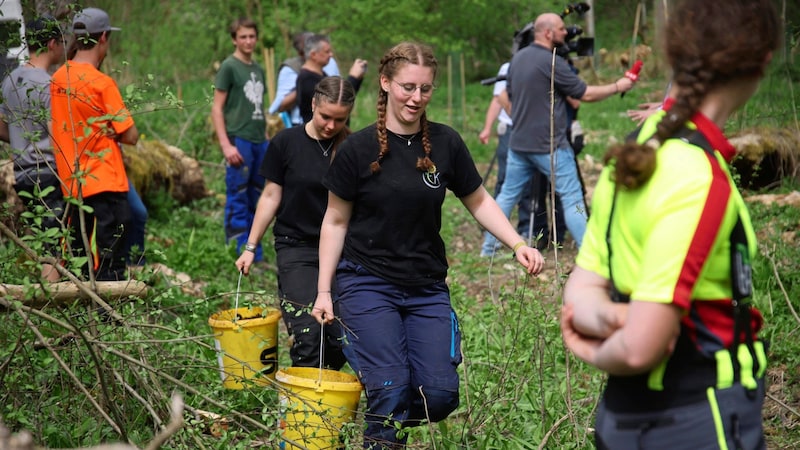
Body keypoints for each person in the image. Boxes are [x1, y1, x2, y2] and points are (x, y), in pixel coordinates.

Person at [560, 0, 780, 448]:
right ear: (763, 61)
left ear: (673, 53)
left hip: (620, 421)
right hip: (700, 420)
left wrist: (608, 318)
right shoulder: (697, 176)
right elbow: (643, 346)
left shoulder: (637, 145)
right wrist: (599, 349)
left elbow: (581, 291)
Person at [310, 42, 544, 448]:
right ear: (385, 83)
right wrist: (324, 291)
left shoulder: (445, 143)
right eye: (407, 87)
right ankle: (383, 419)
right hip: (366, 281)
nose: (416, 98)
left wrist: (517, 243)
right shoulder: (358, 150)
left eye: (425, 89)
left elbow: (479, 199)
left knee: (438, 396)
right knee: (391, 384)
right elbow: (335, 220)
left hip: (426, 287)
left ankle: (383, 410)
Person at [480, 12, 635, 256]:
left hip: (519, 143)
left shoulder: (518, 59)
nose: (567, 32)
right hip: (550, 145)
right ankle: (590, 254)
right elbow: (584, 94)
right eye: (562, 29)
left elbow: (507, 96)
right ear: (548, 32)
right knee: (572, 197)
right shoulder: (552, 61)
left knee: (507, 195)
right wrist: (618, 86)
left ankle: (488, 250)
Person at [236, 76, 355, 370]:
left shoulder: (353, 147)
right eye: (325, 116)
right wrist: (251, 247)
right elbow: (270, 196)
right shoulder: (286, 142)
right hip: (297, 247)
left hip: (343, 250)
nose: (330, 125)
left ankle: (327, 393)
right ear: (313, 104)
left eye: (339, 120)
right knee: (308, 332)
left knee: (342, 334)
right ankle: (300, 407)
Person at [50, 7, 138, 281]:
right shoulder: (102, 83)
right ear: (103, 39)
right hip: (106, 182)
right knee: (110, 259)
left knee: (78, 253)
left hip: (73, 182)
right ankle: (107, 315)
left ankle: (80, 310)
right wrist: (114, 130)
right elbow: (132, 135)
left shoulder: (57, 79)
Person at [0, 15, 66, 282]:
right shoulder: (48, 84)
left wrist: (18, 140)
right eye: (62, 41)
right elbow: (57, 133)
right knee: (55, 245)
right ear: (52, 44)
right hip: (48, 173)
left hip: (23, 174)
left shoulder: (10, 80)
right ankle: (53, 302)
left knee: (44, 239)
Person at [211, 17, 269, 262]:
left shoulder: (258, 69)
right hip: (238, 139)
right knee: (239, 192)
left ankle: (253, 247)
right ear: (234, 39)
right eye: (243, 37)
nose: (248, 41)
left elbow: (258, 105)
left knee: (258, 193)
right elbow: (216, 108)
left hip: (258, 140)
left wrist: (265, 137)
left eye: (252, 36)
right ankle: (236, 245)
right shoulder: (229, 67)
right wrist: (226, 144)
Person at [478, 61, 532, 241]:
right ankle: (496, 230)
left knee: (528, 183)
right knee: (504, 180)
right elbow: (497, 99)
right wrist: (487, 128)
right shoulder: (508, 67)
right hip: (509, 129)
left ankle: (525, 228)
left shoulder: (539, 64)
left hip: (531, 132)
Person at [268, 31, 341, 128]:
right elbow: (279, 105)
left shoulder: (329, 62)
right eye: (304, 51)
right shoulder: (291, 69)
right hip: (300, 123)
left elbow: (340, 93)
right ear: (300, 52)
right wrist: (301, 88)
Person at [295, 33, 366, 124]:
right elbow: (337, 100)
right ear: (313, 54)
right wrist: (353, 77)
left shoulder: (320, 74)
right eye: (327, 52)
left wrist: (358, 79)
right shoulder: (307, 80)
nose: (331, 55)